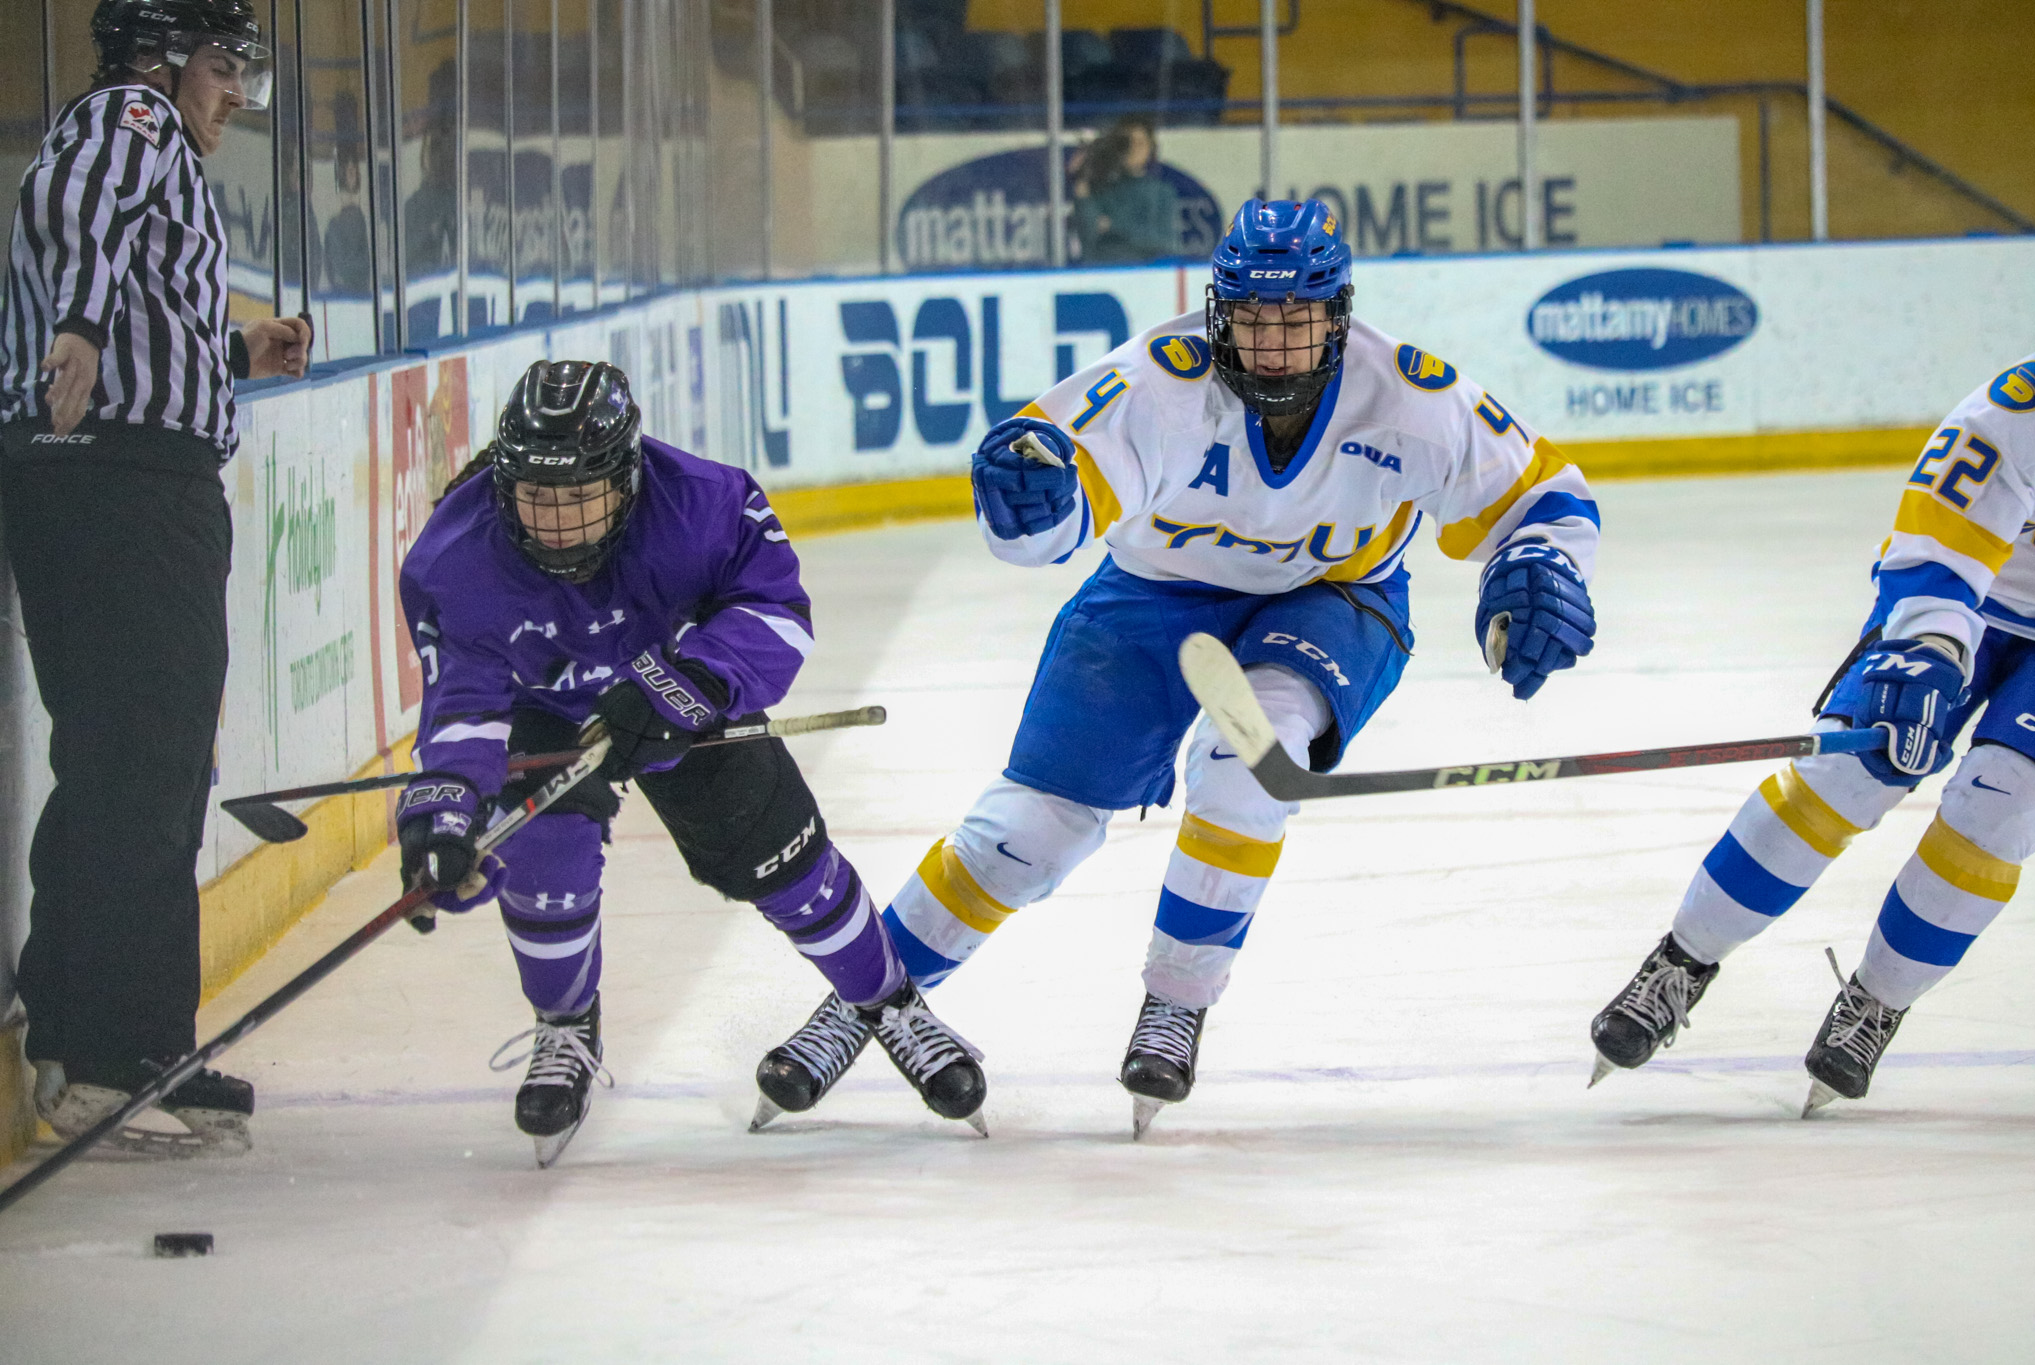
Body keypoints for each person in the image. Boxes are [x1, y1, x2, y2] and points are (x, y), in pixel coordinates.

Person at [762, 198, 1601, 1137]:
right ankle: (865, 1001)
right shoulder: (1154, 385)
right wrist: (1028, 503)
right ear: (1217, 314)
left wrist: (1543, 566)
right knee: (1029, 829)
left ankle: (1179, 999)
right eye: (1252, 321)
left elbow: (1548, 499)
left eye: (1297, 322)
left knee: (1247, 763)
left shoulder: (1410, 394)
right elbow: (1053, 512)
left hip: (1333, 597)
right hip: (1152, 595)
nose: (1274, 346)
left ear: (1339, 314)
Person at [398, 360, 987, 1166]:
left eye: (581, 498)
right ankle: (566, 1026)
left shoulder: (707, 503)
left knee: (780, 854)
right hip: (547, 708)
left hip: (679, 691)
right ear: (505, 486)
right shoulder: (454, 557)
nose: (560, 526)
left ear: (627, 478)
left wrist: (686, 684)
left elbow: (777, 613)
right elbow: (462, 703)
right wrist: (445, 815)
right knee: (541, 851)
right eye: (539, 498)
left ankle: (889, 1002)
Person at [1589, 322, 2035, 1115]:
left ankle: (1878, 1000)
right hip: (1967, 611)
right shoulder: (2009, 419)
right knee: (1843, 774)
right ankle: (1682, 961)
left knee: (2001, 808)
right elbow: (1934, 557)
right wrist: (1927, 653)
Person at [0, 0, 310, 1156]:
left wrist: (232, 353)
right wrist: (79, 325)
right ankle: (102, 1056)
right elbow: (77, 211)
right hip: (118, 484)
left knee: (149, 762)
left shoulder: (151, 142)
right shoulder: (132, 116)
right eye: (224, 67)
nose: (235, 92)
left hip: (132, 478)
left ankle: (117, 1038)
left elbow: (136, 295)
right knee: (138, 760)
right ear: (162, 61)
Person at [1070, 118, 1181, 265]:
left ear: (1150, 148)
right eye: (1127, 143)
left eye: (1140, 143)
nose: (1133, 149)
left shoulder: (1161, 192)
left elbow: (1164, 240)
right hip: (1103, 271)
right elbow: (1088, 236)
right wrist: (1081, 179)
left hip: (1147, 273)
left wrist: (1113, 226)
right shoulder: (1103, 189)